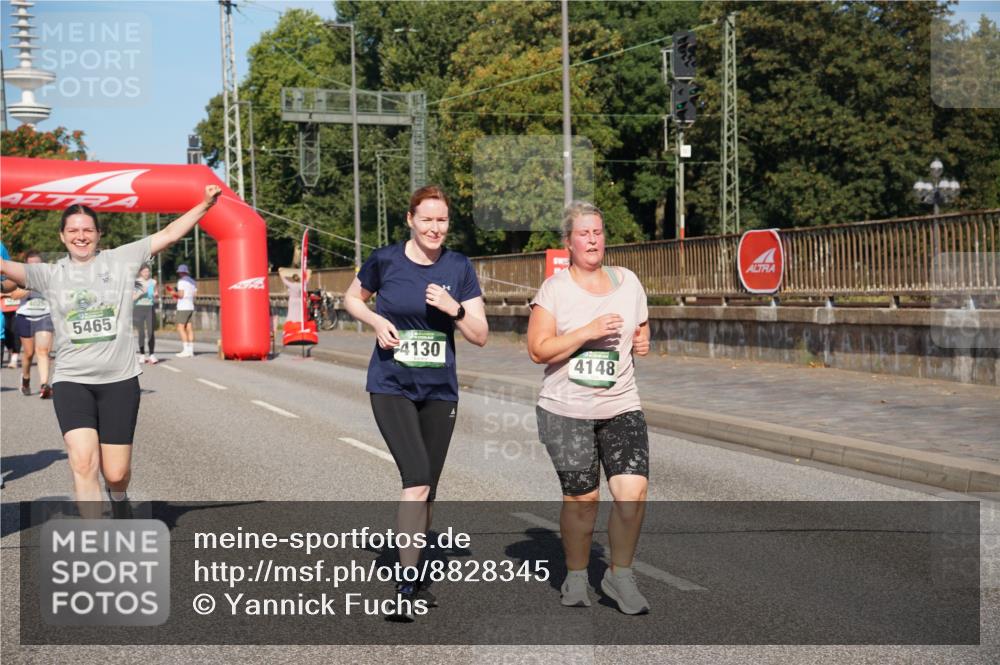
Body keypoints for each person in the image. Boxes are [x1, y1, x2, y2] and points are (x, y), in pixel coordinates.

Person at [0, 185, 222, 515]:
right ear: (62, 236)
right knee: (82, 463)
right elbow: (6, 268)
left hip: (119, 381)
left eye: (87, 229)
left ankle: (118, 499)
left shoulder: (121, 260)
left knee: (116, 474)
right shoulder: (49, 273)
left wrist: (204, 204)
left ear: (98, 234)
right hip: (72, 382)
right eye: (73, 230)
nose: (80, 235)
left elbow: (171, 233)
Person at [343, 185, 488, 621]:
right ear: (410, 219)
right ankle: (406, 585)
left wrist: (454, 309)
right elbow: (351, 298)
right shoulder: (385, 260)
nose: (434, 228)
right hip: (391, 386)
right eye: (427, 219)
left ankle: (414, 566)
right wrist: (375, 319)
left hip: (439, 391)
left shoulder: (458, 267)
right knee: (418, 479)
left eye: (441, 220)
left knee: (429, 489)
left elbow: (481, 334)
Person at [526, 201, 652, 615]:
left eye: (598, 232)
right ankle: (577, 575)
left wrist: (643, 339)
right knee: (584, 501)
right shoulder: (555, 290)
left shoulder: (629, 281)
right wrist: (587, 332)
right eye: (584, 233)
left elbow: (642, 322)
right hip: (566, 410)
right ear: (569, 242)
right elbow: (538, 350)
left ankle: (620, 576)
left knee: (632, 492)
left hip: (621, 404)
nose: (593, 239)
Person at [14, 250, 55, 398]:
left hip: (45, 315)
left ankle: (44, 385)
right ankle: (25, 379)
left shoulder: (49, 276)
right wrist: (30, 285)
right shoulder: (20, 276)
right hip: (25, 316)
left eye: (38, 264)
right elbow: (14, 294)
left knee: (43, 351)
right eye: (31, 265)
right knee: (29, 354)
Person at [133, 264, 158, 364]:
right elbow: (133, 298)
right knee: (141, 332)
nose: (146, 274)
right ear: (140, 272)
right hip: (139, 308)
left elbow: (154, 294)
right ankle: (142, 355)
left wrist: (155, 294)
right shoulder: (136, 282)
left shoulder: (153, 282)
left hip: (150, 308)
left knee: (151, 332)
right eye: (144, 272)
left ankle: (152, 354)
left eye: (148, 272)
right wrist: (142, 292)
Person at [172, 263, 197, 358]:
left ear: (180, 272)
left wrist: (173, 293)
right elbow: (195, 294)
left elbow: (181, 295)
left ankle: (185, 349)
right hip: (190, 306)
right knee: (189, 328)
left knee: (180, 327)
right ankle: (191, 350)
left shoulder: (181, 282)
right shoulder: (192, 281)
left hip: (183, 307)